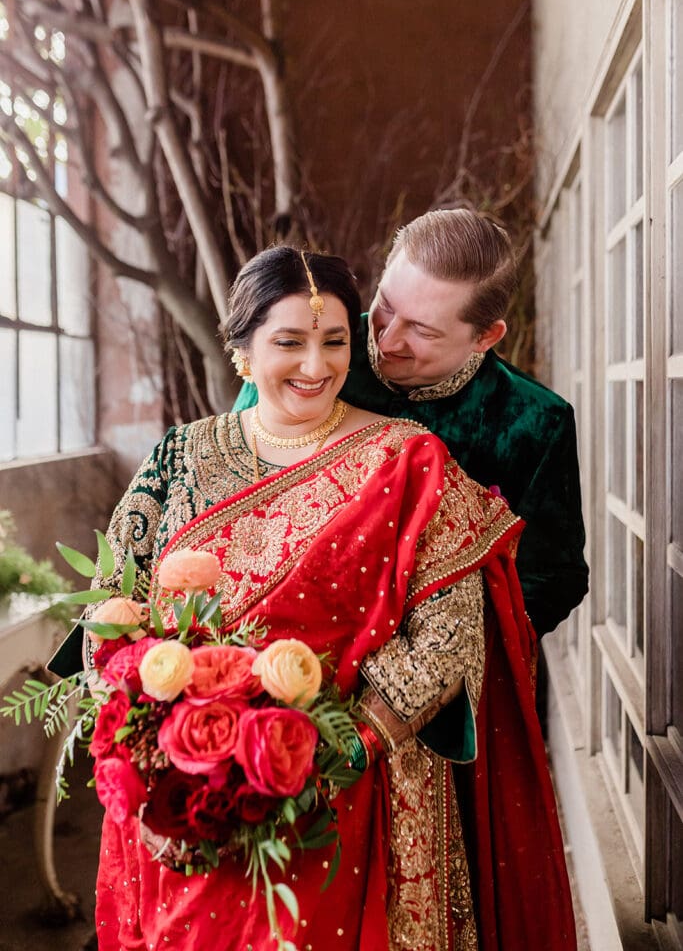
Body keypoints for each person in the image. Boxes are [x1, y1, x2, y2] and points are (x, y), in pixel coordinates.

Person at [79, 248, 575, 951]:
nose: (316, 365)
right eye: (289, 342)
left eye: (335, 342)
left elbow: (447, 639)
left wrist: (323, 759)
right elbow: (111, 606)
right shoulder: (179, 456)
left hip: (345, 797)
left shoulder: (408, 459)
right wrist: (150, 745)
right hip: (182, 800)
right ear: (243, 346)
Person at [234, 210, 589, 640]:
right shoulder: (308, 356)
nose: (386, 341)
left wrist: (445, 649)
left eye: (422, 330)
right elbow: (235, 491)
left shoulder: (537, 422)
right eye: (385, 305)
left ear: (486, 336)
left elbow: (554, 577)